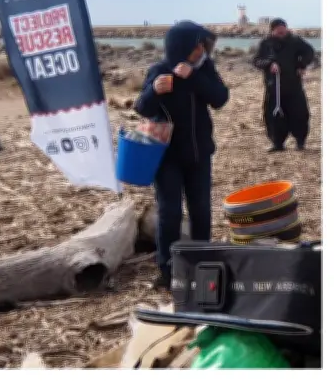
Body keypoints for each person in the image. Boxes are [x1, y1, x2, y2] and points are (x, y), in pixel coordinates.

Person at [134, 21, 230, 288]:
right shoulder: (159, 70)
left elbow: (221, 98)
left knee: (200, 211)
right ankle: (166, 270)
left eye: (203, 44)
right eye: (197, 44)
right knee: (169, 213)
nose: (201, 49)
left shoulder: (205, 69)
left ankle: (203, 265)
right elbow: (141, 107)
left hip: (200, 155)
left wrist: (195, 77)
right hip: (167, 158)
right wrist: (154, 90)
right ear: (182, 46)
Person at [252, 18, 316, 152]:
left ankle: (300, 142)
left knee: (299, 115)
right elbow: (257, 61)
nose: (282, 33)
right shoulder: (265, 43)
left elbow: (309, 52)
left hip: (293, 85)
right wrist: (269, 64)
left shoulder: (295, 41)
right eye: (278, 31)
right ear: (272, 30)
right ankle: (277, 144)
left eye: (283, 30)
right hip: (273, 87)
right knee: (273, 116)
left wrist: (301, 64)